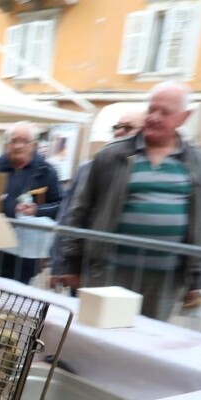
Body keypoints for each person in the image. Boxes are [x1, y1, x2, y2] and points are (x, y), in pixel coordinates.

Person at [57, 83, 201, 320]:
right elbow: (79, 211)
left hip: (164, 279)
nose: (154, 117)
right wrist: (70, 263)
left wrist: (196, 277)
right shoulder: (112, 155)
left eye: (165, 112)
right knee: (99, 338)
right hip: (109, 272)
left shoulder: (199, 161)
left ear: (184, 117)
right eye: (151, 110)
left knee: (145, 343)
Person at [52, 110, 144, 285]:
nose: (119, 131)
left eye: (128, 127)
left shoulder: (143, 171)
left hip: (131, 271)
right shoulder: (89, 167)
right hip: (91, 267)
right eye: (117, 127)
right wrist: (61, 265)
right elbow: (69, 215)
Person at [0, 122, 63, 284]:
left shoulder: (45, 171)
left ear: (33, 145)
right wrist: (6, 206)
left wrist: (37, 210)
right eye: (13, 141)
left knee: (19, 294)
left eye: (24, 141)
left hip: (27, 251)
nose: (18, 146)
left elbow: (61, 205)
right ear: (6, 144)